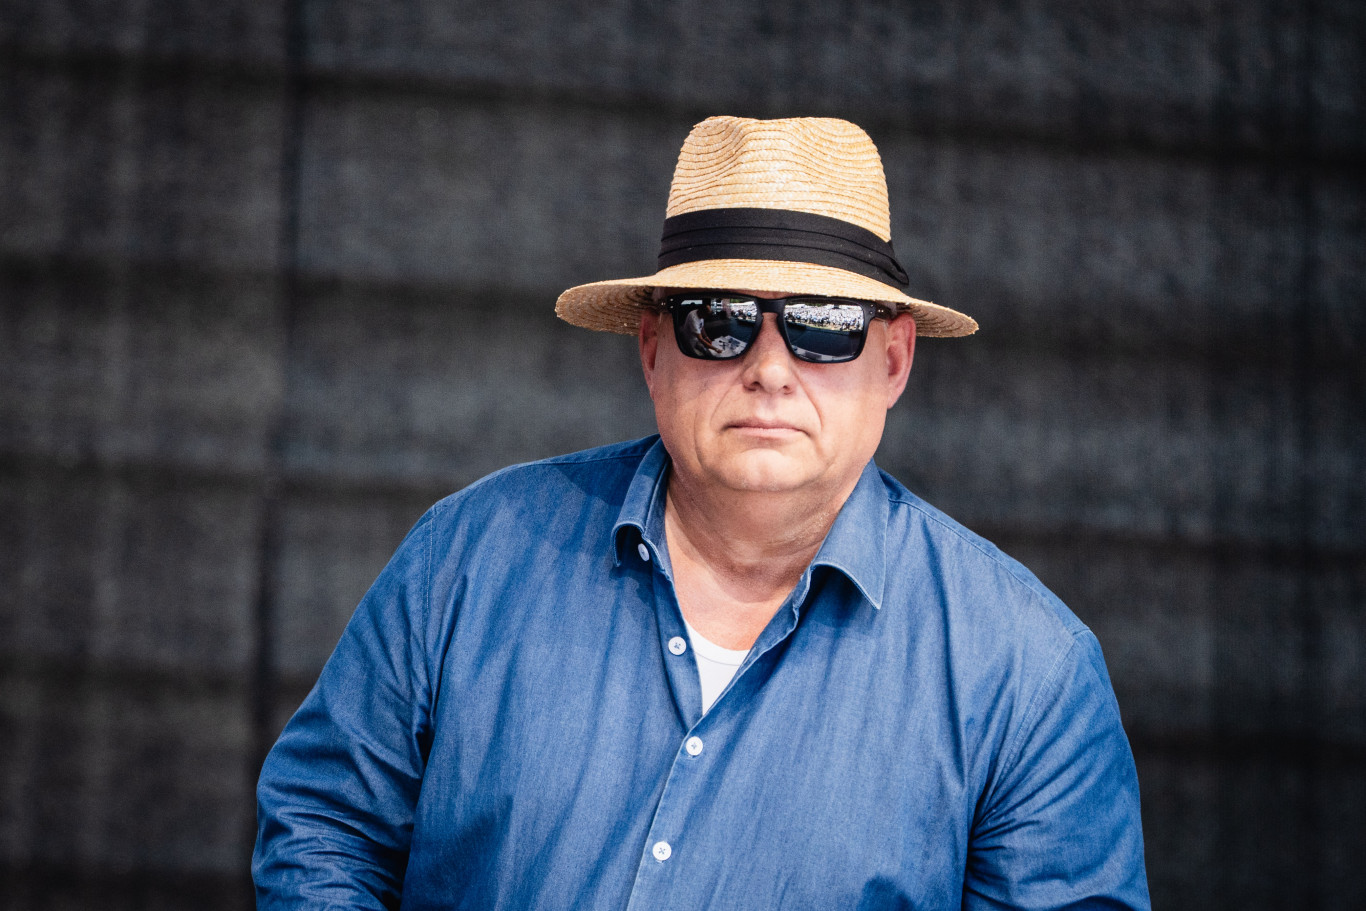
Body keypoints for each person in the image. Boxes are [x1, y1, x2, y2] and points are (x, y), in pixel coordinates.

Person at [253, 116, 1150, 910]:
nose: (769, 368)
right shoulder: (469, 555)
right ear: (652, 349)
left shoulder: (1027, 672)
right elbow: (323, 824)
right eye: (719, 320)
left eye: (824, 322)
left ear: (893, 360)